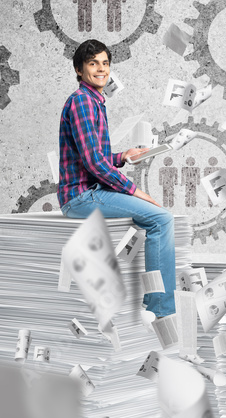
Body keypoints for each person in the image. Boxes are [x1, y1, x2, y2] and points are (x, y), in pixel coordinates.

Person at [58, 39, 176, 318]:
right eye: (92, 63)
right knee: (161, 219)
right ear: (79, 69)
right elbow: (94, 163)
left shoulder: (94, 101)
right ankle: (161, 310)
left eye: (105, 63)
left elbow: (93, 155)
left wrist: (123, 156)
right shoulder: (82, 102)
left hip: (89, 191)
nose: (101, 69)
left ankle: (158, 304)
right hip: (80, 196)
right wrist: (135, 191)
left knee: (157, 217)